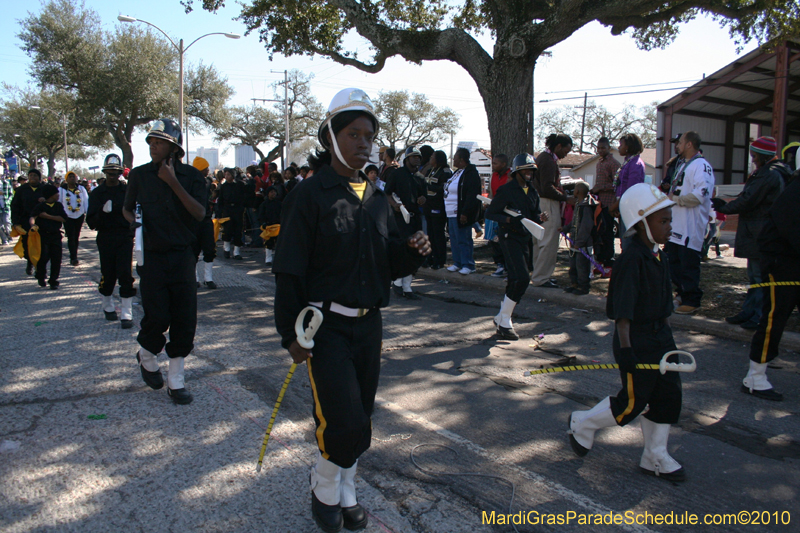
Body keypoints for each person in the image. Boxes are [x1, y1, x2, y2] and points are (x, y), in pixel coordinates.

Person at [272, 88, 429, 533]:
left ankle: (348, 487)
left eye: (369, 135)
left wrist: (413, 252)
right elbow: (288, 269)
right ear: (330, 138)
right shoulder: (309, 195)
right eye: (353, 133)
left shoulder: (380, 198)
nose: (364, 142)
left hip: (369, 325)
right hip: (325, 327)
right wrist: (289, 333)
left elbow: (391, 261)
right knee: (342, 416)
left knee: (363, 413)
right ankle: (324, 487)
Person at [569, 183, 686, 482]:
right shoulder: (631, 259)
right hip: (636, 339)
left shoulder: (659, 255)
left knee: (668, 396)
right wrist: (627, 350)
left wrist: (670, 340)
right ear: (642, 221)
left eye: (670, 220)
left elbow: (664, 306)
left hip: (661, 339)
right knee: (633, 403)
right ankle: (583, 423)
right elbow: (622, 314)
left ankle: (654, 455)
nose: (669, 227)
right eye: (663, 221)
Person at [123, 118, 206, 406]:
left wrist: (172, 183)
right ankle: (146, 355)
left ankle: (176, 380)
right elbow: (126, 208)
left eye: (158, 141)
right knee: (156, 316)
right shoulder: (139, 175)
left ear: (173, 146)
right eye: (150, 141)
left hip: (183, 256)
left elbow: (199, 213)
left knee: (184, 319)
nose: (152, 146)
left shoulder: (193, 177)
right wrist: (136, 224)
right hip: (153, 257)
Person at [735, 173, 800, 401]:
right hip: (781, 262)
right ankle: (755, 375)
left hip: (792, 259)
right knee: (774, 316)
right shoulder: (795, 191)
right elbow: (793, 230)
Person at [715, 136, 788, 330]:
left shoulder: (768, 175)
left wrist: (725, 208)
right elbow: (747, 196)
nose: (753, 159)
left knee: (759, 277)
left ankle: (758, 315)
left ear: (764, 155)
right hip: (759, 231)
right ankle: (749, 311)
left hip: (761, 232)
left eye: (754, 155)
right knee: (754, 276)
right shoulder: (770, 172)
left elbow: (749, 200)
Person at [485, 153, 548, 340]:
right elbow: (490, 213)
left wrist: (540, 218)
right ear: (517, 172)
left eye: (531, 170)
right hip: (508, 237)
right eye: (525, 170)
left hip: (524, 239)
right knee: (520, 277)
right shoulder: (506, 190)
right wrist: (509, 218)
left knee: (518, 279)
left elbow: (533, 216)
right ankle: (505, 320)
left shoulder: (533, 192)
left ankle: (502, 318)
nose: (529, 173)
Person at [666, 131, 715, 315]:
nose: (677, 146)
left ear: (689, 144)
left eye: (680, 143)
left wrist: (676, 199)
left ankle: (692, 299)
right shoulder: (683, 165)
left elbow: (699, 196)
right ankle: (681, 293)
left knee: (688, 265)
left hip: (690, 226)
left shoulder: (701, 166)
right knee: (675, 263)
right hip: (677, 224)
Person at [86, 154, 136, 327]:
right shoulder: (98, 193)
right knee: (108, 273)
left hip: (124, 236)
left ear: (120, 172)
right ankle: (107, 306)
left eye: (115, 172)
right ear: (105, 172)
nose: (112, 175)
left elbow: (135, 211)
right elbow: (91, 222)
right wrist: (101, 211)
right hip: (106, 236)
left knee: (125, 273)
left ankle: (126, 313)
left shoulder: (127, 190)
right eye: (109, 172)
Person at [532, 134, 574, 288]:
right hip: (548, 204)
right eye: (566, 150)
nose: (566, 154)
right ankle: (541, 278)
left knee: (538, 241)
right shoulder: (549, 161)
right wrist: (565, 197)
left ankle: (537, 275)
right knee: (548, 242)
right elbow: (547, 188)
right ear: (558, 146)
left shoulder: (542, 158)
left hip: (538, 202)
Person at [386, 146, 426, 298]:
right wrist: (394, 204)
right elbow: (387, 194)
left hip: (415, 218)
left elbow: (423, 196)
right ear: (407, 159)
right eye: (414, 156)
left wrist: (423, 199)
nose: (417, 159)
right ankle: (397, 283)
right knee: (402, 249)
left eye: (419, 157)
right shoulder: (396, 174)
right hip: (400, 217)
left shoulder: (421, 177)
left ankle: (407, 287)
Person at [445, 147, 482, 275]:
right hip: (450, 211)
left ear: (461, 159)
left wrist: (465, 212)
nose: (453, 159)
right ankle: (458, 262)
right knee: (454, 239)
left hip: (460, 211)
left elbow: (471, 195)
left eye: (455, 157)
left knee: (463, 239)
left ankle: (468, 264)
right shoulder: (457, 173)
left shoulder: (470, 173)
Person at [590, 137, 620, 275]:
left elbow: (616, 185)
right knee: (599, 233)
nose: (600, 150)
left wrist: (601, 187)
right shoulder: (599, 163)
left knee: (608, 234)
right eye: (599, 148)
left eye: (603, 148)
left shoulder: (614, 163)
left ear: (609, 148)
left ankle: (609, 263)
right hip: (599, 204)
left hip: (609, 204)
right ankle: (600, 262)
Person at [10, 168, 46, 276]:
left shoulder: (44, 189)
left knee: (42, 247)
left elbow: (53, 201)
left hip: (42, 221)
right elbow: (15, 206)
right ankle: (29, 262)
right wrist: (15, 223)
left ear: (39, 178)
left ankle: (40, 270)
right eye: (30, 175)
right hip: (25, 222)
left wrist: (45, 200)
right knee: (27, 246)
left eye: (35, 175)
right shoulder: (22, 190)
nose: (32, 177)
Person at [29, 183, 66, 289]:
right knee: (43, 257)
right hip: (43, 236)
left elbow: (63, 218)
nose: (58, 195)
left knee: (56, 259)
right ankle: (40, 275)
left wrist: (47, 216)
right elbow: (33, 217)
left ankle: (53, 280)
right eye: (56, 193)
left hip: (56, 235)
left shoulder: (58, 205)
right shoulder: (40, 206)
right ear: (50, 195)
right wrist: (33, 224)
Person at [614, 133, 646, 251]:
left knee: (629, 243)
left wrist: (616, 206)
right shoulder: (627, 162)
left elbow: (631, 190)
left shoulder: (636, 164)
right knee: (624, 241)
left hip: (631, 209)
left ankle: (630, 267)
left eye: (621, 145)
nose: (619, 147)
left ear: (628, 147)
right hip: (623, 207)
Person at [565, 182, 596, 296]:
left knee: (581, 265)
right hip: (574, 241)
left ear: (578, 191)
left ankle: (584, 286)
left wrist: (580, 242)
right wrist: (565, 228)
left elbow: (586, 226)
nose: (573, 191)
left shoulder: (586, 207)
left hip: (582, 243)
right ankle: (574, 283)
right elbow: (574, 222)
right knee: (573, 264)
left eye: (575, 189)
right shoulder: (578, 204)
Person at [191, 157, 218, 289]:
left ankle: (208, 278)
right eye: (206, 168)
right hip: (194, 220)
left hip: (206, 220)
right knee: (193, 250)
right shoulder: (191, 182)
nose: (208, 170)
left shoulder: (207, 182)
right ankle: (194, 278)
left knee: (209, 248)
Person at [424, 150, 451, 270]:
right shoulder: (430, 171)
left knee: (438, 234)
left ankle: (440, 260)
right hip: (428, 206)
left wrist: (428, 186)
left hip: (438, 207)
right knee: (430, 234)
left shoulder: (445, 172)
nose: (430, 158)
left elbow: (444, 188)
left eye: (433, 156)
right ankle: (430, 258)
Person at [59, 171, 89, 266]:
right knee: (71, 236)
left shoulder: (81, 189)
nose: (72, 178)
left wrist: (87, 213)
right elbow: (59, 202)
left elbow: (86, 201)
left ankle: (74, 254)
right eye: (70, 177)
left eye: (74, 177)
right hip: (67, 216)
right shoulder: (62, 190)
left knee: (76, 236)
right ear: (66, 179)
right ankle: (73, 257)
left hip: (79, 215)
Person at [488, 154, 510, 277]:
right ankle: (499, 265)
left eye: (496, 163)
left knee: (505, 240)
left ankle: (508, 266)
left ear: (503, 164)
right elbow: (491, 193)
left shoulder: (510, 176)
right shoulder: (493, 176)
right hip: (495, 212)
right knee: (494, 239)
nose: (493, 165)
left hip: (506, 213)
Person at [218, 167, 246, 260]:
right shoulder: (223, 186)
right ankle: (226, 250)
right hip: (227, 210)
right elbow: (220, 201)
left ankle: (236, 252)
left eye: (228, 174)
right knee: (227, 230)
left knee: (238, 231)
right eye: (225, 174)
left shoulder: (240, 185)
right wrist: (219, 214)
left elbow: (245, 196)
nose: (226, 176)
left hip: (238, 210)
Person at [257, 186, 281, 265]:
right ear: (268, 194)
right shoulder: (264, 204)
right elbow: (261, 215)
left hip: (278, 226)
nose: (273, 193)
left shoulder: (279, 203)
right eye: (271, 192)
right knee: (268, 243)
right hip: (268, 226)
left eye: (274, 192)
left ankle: (279, 259)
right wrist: (263, 223)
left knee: (279, 243)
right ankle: (268, 258)